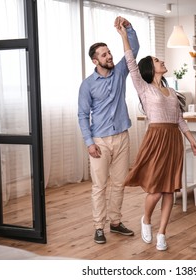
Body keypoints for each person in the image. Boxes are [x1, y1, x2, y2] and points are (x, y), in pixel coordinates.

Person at [116, 19, 196, 251]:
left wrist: (192, 142)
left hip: (173, 139)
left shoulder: (172, 91)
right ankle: (146, 220)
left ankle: (162, 232)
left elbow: (180, 120)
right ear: (149, 67)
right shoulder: (143, 88)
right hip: (156, 139)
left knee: (169, 189)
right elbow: (130, 62)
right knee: (155, 189)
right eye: (156, 60)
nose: (161, 61)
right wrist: (124, 34)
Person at [78, 16, 140, 244]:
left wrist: (128, 28)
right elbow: (83, 115)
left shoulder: (120, 72)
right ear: (96, 61)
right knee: (99, 186)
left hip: (122, 136)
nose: (110, 56)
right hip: (100, 140)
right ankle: (98, 226)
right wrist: (89, 142)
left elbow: (134, 50)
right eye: (104, 54)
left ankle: (115, 222)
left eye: (109, 52)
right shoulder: (87, 85)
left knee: (119, 183)